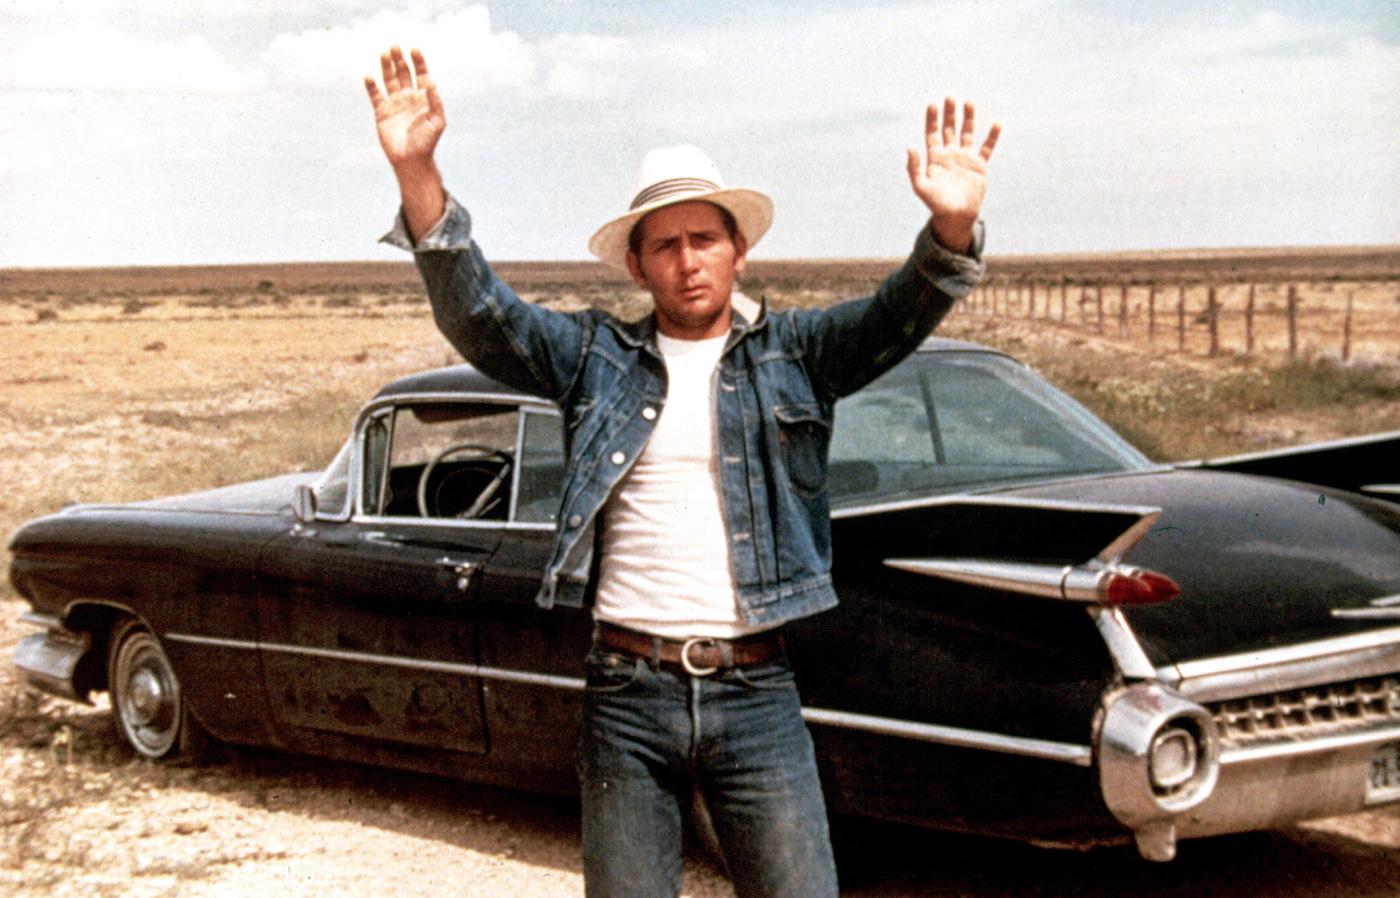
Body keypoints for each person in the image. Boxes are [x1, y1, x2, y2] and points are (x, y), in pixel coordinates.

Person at [365, 45, 999, 898]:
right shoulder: (595, 356)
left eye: (705, 238)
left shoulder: (800, 353)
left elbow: (900, 314)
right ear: (637, 264)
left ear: (740, 249)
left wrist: (950, 229)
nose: (687, 260)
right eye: (664, 245)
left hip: (757, 692)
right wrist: (419, 172)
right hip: (625, 694)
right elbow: (484, 316)